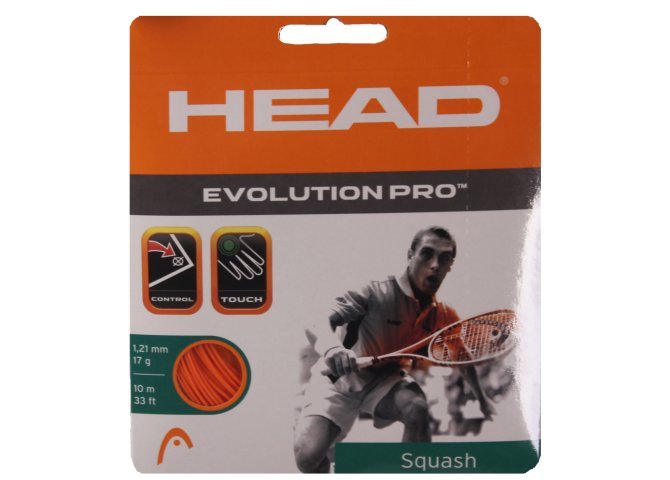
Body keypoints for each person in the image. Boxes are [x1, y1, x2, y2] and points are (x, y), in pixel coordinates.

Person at [293, 226, 494, 473]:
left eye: (444, 258)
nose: (434, 265)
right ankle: (324, 448)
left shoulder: (443, 315)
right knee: (307, 460)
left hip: (385, 381)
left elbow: (462, 359)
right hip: (340, 379)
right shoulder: (375, 291)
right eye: (426, 254)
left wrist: (482, 399)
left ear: (450, 266)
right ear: (410, 255)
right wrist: (333, 348)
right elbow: (317, 320)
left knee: (416, 407)